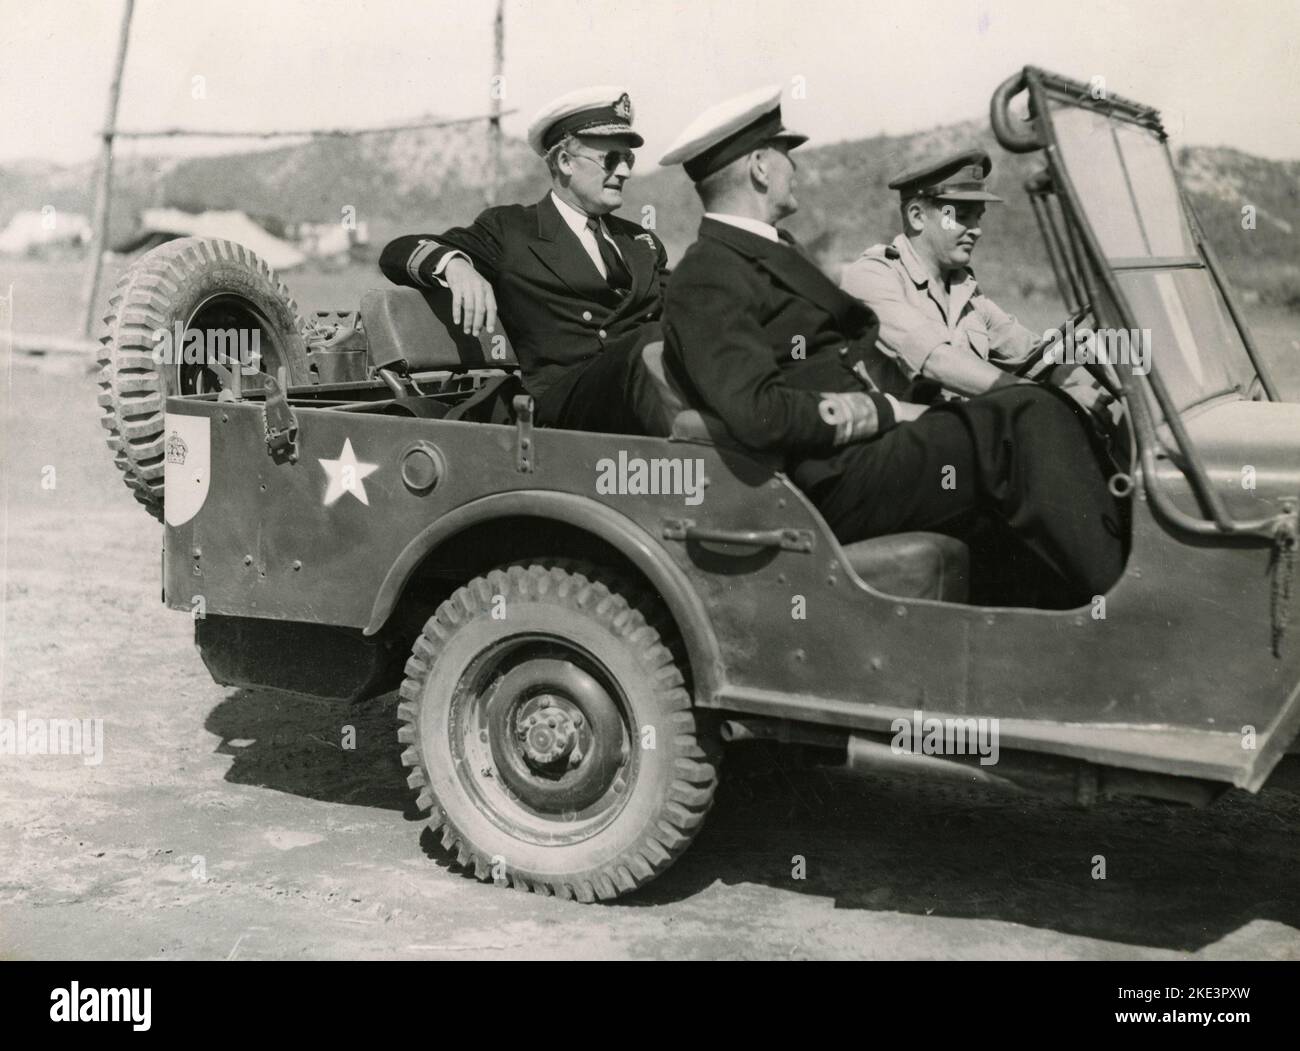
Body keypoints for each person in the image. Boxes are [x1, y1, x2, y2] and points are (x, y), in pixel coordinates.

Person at [657, 87, 1124, 607]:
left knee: (1030, 409)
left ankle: (1072, 606)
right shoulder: (707, 274)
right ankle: (1130, 605)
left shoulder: (771, 251)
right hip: (833, 476)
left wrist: (922, 408)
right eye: (787, 155)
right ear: (761, 167)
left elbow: (855, 352)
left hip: (870, 457)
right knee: (1025, 419)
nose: (798, 169)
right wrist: (887, 410)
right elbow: (758, 413)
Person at [379, 86, 668, 433]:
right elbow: (397, 252)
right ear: (564, 162)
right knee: (649, 345)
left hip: (637, 397)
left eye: (628, 159)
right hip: (564, 406)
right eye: (611, 159)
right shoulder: (512, 231)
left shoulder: (642, 242)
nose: (624, 172)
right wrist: (456, 266)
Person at [839, 149, 1110, 415]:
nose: (977, 230)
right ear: (917, 216)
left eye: (978, 217)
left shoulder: (964, 290)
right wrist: (1048, 398)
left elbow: (1032, 352)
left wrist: (1074, 379)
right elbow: (937, 361)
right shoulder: (872, 277)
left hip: (961, 441)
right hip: (901, 447)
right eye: (962, 216)